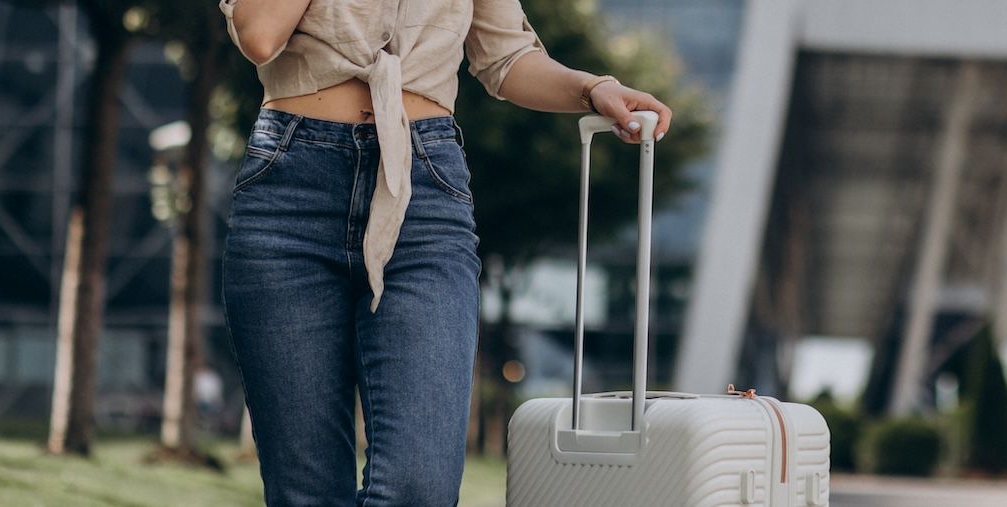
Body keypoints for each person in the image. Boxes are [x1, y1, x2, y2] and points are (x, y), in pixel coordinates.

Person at [216, 1, 673, 504]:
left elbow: (506, 57)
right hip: (290, 189)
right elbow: (259, 33)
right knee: (306, 492)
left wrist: (594, 89)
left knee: (421, 487)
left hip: (424, 188)